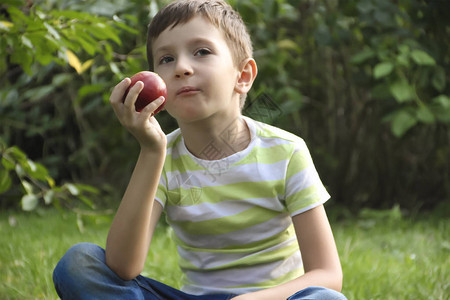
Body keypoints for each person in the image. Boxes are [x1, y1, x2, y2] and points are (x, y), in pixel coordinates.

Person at [53, 1, 346, 299]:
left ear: (242, 76)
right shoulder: (162, 157)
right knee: (79, 264)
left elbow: (327, 275)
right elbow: (122, 267)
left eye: (202, 52)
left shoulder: (287, 153)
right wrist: (152, 152)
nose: (181, 67)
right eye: (166, 58)